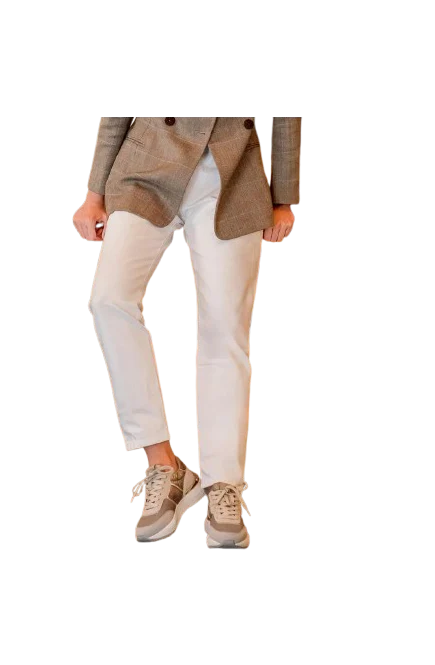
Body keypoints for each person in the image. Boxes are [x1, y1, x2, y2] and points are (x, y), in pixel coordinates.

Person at [73, 114, 302, 549]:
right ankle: (164, 463)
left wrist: (284, 197)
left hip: (233, 172)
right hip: (145, 165)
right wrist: (94, 193)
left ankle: (223, 486)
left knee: (225, 328)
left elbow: (287, 111)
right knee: (108, 299)